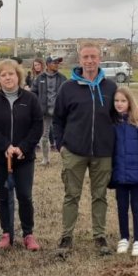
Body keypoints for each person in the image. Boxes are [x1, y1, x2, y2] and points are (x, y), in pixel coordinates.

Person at [53, 43, 117, 255]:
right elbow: (58, 119)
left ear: (100, 59)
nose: (89, 61)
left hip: (103, 152)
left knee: (100, 196)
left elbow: (117, 118)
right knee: (71, 195)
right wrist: (61, 145)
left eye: (93, 57)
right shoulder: (68, 88)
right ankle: (66, 237)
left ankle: (99, 236)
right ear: (80, 60)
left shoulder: (110, 87)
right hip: (74, 151)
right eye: (86, 57)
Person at [0, 59, 44, 250]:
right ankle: (6, 233)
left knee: (25, 196)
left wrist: (23, 147)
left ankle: (28, 234)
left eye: (11, 74)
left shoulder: (30, 99)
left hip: (24, 158)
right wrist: (5, 145)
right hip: (1, 158)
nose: (8, 78)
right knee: (4, 196)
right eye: (3, 75)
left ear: (18, 75)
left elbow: (37, 125)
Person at [109, 87, 138, 257]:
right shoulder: (112, 122)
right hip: (120, 175)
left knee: (136, 207)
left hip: (137, 176)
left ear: (130, 102)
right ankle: (124, 237)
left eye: (123, 100)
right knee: (121, 207)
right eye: (116, 101)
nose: (119, 104)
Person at [31, 56, 66, 166]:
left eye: (58, 63)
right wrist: (38, 105)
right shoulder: (39, 78)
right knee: (44, 136)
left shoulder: (62, 78)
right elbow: (33, 92)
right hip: (45, 112)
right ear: (48, 64)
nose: (57, 65)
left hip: (59, 112)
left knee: (64, 135)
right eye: (54, 62)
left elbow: (67, 94)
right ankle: (45, 159)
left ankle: (66, 158)